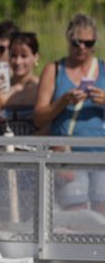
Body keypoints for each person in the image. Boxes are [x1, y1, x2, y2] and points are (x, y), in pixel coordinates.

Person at [34, 14, 105, 213]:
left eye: (88, 43)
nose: (82, 47)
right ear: (68, 40)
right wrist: (63, 101)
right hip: (66, 155)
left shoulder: (103, 69)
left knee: (102, 217)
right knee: (76, 213)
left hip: (101, 156)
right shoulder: (54, 69)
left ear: (94, 44)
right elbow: (39, 118)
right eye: (76, 42)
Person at [0, 32, 41, 136]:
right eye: (13, 55)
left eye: (24, 56)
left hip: (34, 149)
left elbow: (48, 127)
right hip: (4, 149)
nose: (18, 61)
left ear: (36, 57)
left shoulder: (41, 88)